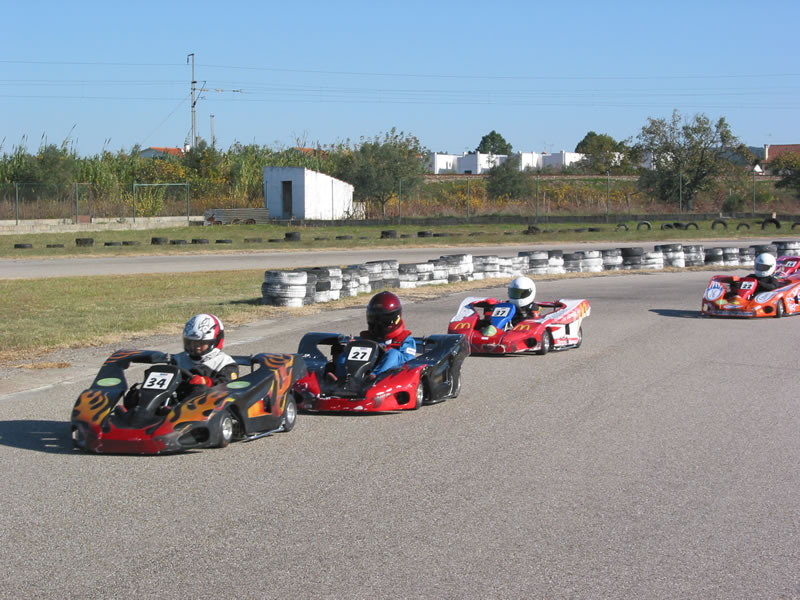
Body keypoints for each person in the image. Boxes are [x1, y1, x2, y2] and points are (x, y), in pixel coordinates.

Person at [328, 291, 416, 381]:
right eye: (374, 320)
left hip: (389, 373)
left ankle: (373, 377)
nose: (378, 325)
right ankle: (340, 379)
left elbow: (408, 360)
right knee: (345, 354)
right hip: (366, 367)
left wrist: (387, 350)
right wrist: (352, 346)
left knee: (393, 354)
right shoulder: (368, 336)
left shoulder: (405, 339)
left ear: (396, 318)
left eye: (384, 320)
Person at [174, 313, 239, 390]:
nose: (196, 347)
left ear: (215, 342)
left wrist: (205, 382)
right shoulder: (178, 359)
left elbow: (227, 386)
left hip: (208, 399)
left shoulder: (225, 364)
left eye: (201, 343)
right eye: (192, 342)